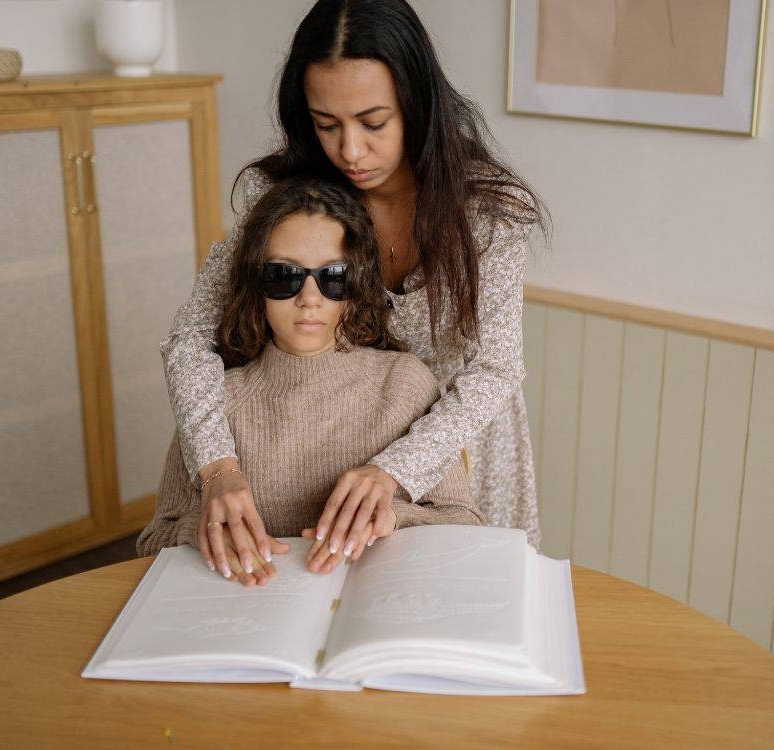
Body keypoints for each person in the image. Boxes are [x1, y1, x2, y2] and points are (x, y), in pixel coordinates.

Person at [161, 0, 547, 576]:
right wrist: (218, 468)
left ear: (416, 104)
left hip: (455, 447)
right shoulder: (290, 198)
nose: (350, 151)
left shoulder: (485, 214)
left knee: (462, 594)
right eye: (326, 125)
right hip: (336, 442)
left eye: (374, 122)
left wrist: (396, 470)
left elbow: (495, 367)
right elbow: (190, 339)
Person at [138, 177, 481, 586]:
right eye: (285, 275)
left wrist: (395, 517)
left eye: (334, 276)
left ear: (357, 284)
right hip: (254, 607)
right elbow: (154, 540)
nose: (309, 298)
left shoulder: (404, 385)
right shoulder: (214, 404)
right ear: (256, 284)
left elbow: (465, 522)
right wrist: (202, 533)